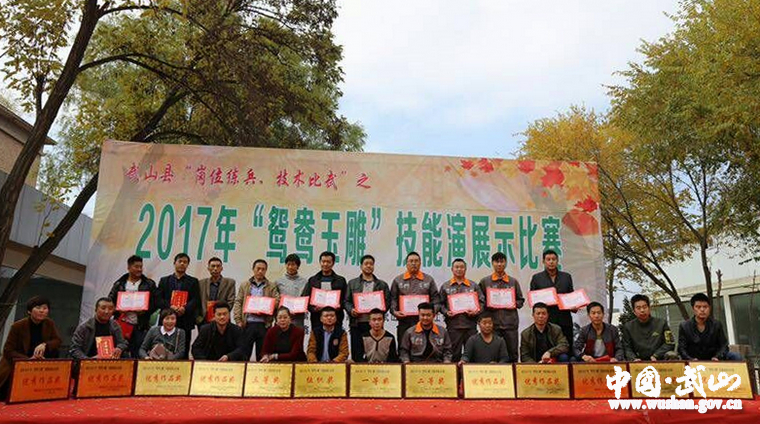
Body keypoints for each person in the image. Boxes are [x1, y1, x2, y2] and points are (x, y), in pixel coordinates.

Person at [0, 296, 62, 397]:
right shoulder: (17, 326)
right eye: (38, 308)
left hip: (40, 360)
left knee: (55, 351)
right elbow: (8, 350)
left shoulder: (49, 323)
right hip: (20, 361)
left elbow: (58, 340)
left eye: (45, 308)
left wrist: (45, 344)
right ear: (29, 311)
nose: (42, 311)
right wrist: (28, 360)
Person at [107, 254, 159, 359]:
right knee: (120, 354)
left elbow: (156, 303)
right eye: (136, 266)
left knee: (139, 355)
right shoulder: (119, 284)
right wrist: (118, 310)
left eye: (141, 267)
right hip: (121, 325)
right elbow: (110, 302)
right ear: (129, 267)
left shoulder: (149, 284)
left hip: (140, 326)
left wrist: (145, 310)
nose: (139, 269)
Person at [479, 251, 524, 362]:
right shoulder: (485, 281)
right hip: (492, 324)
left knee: (512, 352)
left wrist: (512, 303)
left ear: (505, 263)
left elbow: (520, 301)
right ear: (492, 263)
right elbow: (480, 301)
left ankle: (513, 372)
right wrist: (489, 303)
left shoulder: (513, 281)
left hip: (510, 324)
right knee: (493, 353)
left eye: (502, 262)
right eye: (496, 262)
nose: (499, 264)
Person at [344, 254, 391, 361]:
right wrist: (351, 310)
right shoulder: (352, 283)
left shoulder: (382, 284)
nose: (369, 266)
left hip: (375, 324)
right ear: (361, 266)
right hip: (357, 323)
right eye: (366, 264)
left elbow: (387, 301)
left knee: (374, 353)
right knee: (357, 353)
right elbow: (346, 301)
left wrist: (380, 310)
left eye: (371, 264)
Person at [233, 259, 280, 361]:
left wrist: (266, 305)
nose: (260, 271)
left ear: (266, 270)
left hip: (264, 324)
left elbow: (277, 301)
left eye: (263, 269)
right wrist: (238, 320)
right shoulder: (245, 285)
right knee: (244, 354)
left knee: (262, 355)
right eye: (258, 269)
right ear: (253, 269)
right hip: (247, 323)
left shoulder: (271, 286)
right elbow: (238, 302)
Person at [438, 258, 483, 362]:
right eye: (456, 267)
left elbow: (482, 302)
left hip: (470, 326)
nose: (459, 269)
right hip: (453, 326)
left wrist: (476, 311)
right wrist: (446, 312)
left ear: (465, 269)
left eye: (462, 267)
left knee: (472, 354)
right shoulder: (445, 286)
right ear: (452, 269)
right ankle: (455, 373)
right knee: (454, 354)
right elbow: (439, 303)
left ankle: (471, 373)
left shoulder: (473, 285)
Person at [390, 251, 440, 342]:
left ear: (420, 263)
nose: (414, 263)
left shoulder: (429, 280)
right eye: (411, 261)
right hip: (404, 321)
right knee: (404, 346)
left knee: (424, 346)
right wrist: (394, 311)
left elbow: (436, 299)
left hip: (425, 322)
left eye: (416, 261)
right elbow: (393, 299)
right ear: (406, 263)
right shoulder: (398, 280)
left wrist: (432, 312)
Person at [157, 253, 200, 359]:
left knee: (184, 348)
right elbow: (158, 299)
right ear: (174, 263)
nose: (182, 264)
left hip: (185, 319)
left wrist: (185, 308)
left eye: (185, 262)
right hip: (167, 319)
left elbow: (196, 299)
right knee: (163, 348)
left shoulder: (193, 281)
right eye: (180, 261)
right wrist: (170, 307)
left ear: (188, 265)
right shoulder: (164, 280)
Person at [529, 249, 576, 346]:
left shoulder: (566, 277)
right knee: (546, 349)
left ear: (557, 261)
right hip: (546, 321)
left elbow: (571, 297)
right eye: (548, 259)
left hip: (565, 319)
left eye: (554, 259)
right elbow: (534, 301)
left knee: (566, 348)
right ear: (543, 261)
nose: (551, 262)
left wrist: (574, 306)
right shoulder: (537, 278)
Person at [678, 293, 741, 361]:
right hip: (693, 359)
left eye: (705, 307)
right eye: (698, 307)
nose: (702, 310)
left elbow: (724, 345)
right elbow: (681, 348)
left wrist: (717, 357)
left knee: (735, 356)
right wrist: (690, 359)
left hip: (714, 358)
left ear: (709, 308)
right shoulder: (684, 326)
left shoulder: (716, 325)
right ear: (693, 309)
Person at [621, 294, 678, 361]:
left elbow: (670, 343)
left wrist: (656, 355)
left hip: (659, 358)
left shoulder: (662, 323)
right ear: (634, 311)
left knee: (672, 354)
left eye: (644, 307)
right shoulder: (628, 327)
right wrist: (633, 359)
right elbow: (627, 348)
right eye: (638, 308)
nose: (642, 310)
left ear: (649, 308)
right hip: (638, 361)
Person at [302, 251, 347, 332]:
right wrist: (314, 309)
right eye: (323, 261)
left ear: (333, 263)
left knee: (336, 339)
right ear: (320, 262)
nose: (325, 264)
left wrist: (339, 305)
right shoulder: (313, 280)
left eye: (328, 262)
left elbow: (346, 299)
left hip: (336, 317)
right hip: (317, 318)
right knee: (317, 338)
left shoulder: (340, 280)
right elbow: (305, 299)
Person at [197, 257, 236, 329]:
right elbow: (197, 301)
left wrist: (220, 314)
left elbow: (230, 301)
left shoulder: (230, 282)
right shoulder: (201, 283)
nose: (215, 268)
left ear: (222, 268)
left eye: (218, 266)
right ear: (208, 268)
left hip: (222, 319)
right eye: (213, 266)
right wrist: (199, 318)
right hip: (204, 320)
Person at [275, 253, 308, 328]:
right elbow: (276, 300)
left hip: (298, 318)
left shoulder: (305, 282)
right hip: (283, 318)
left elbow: (306, 299)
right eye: (288, 264)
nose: (290, 267)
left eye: (293, 264)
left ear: (298, 266)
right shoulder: (278, 282)